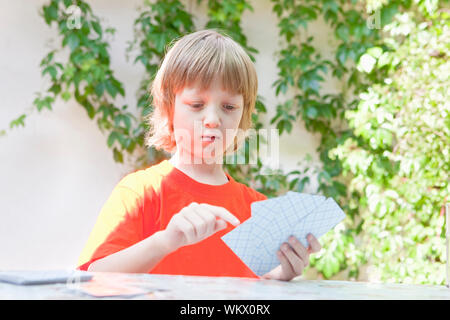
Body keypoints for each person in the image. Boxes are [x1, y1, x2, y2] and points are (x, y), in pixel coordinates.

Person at [77, 29, 321, 281]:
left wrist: (281, 274)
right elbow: (92, 279)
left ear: (243, 115)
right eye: (196, 105)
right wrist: (165, 242)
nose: (213, 120)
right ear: (169, 109)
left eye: (229, 107)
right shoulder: (140, 192)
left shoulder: (256, 208)